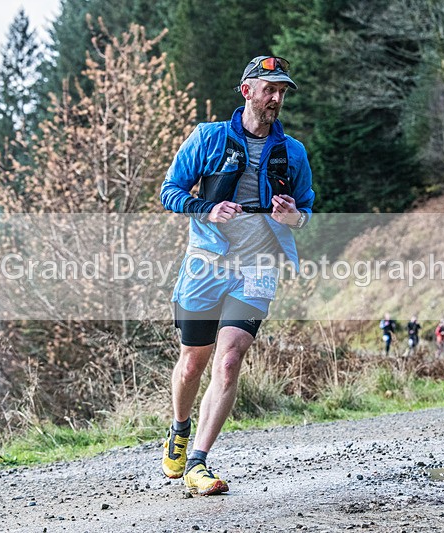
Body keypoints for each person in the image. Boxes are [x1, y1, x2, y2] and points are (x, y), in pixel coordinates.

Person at [159, 55, 315, 495]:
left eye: (283, 91)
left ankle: (198, 462)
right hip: (206, 264)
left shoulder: (293, 152)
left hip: (258, 267)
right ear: (247, 91)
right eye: (270, 90)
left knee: (229, 360)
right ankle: (180, 428)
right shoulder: (208, 139)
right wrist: (207, 209)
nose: (277, 98)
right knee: (194, 362)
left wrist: (293, 218)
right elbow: (169, 192)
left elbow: (306, 209)